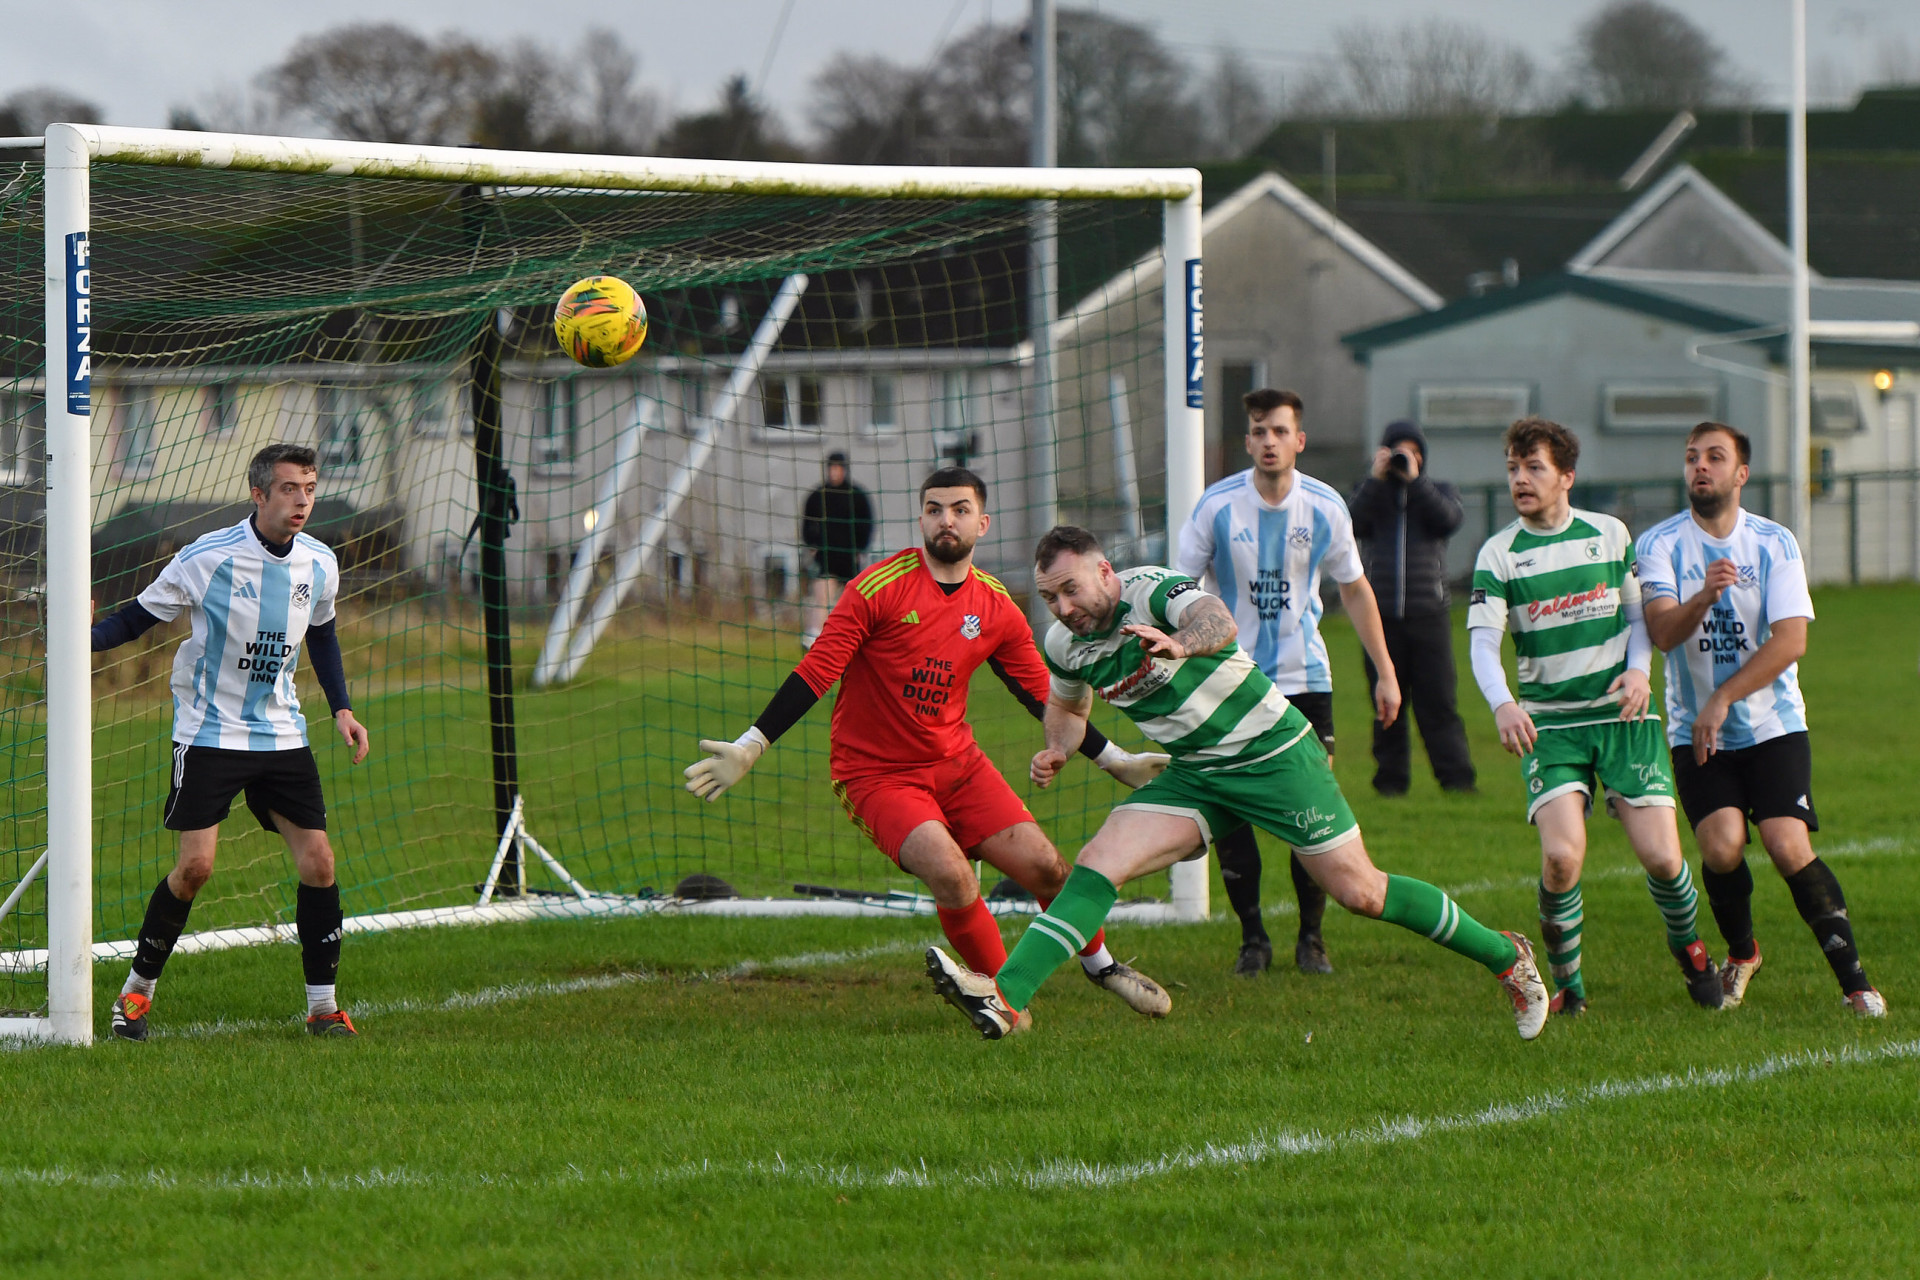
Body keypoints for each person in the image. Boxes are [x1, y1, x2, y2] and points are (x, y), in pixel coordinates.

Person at [924, 525, 1550, 1042]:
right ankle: (1006, 999)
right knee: (1097, 861)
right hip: (1198, 774)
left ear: (1105, 573)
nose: (1063, 608)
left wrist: (1179, 644)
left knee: (1360, 892)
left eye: (1070, 589)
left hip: (1274, 755)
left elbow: (1216, 619)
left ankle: (1507, 956)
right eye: (1049, 597)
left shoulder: (1153, 591)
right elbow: (1066, 707)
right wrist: (1058, 748)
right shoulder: (1065, 643)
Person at [685, 468, 1173, 1024]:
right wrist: (751, 745)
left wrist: (1115, 760)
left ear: (982, 523)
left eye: (960, 509)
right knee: (951, 873)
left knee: (1049, 870)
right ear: (920, 517)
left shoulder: (995, 605)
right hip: (876, 775)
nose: (947, 520)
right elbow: (819, 668)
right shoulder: (875, 588)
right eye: (935, 508)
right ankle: (1010, 1006)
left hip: (957, 765)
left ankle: (1104, 967)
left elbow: (1044, 695)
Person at [89, 443, 371, 1041]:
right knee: (195, 868)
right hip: (210, 731)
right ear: (259, 493)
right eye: (291, 488)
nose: (302, 500)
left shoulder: (320, 562)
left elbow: (322, 634)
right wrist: (82, 634)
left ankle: (323, 1009)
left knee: (320, 862)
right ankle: (135, 995)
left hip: (281, 731)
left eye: (310, 489)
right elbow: (136, 618)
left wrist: (342, 708)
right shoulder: (206, 558)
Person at [1467, 418, 1721, 1017]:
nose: (1520, 480)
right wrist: (1503, 702)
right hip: (1550, 727)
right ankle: (1570, 987)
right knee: (1562, 859)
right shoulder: (1499, 553)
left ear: (1566, 477)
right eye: (1512, 469)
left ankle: (1690, 949)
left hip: (1624, 720)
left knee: (1663, 858)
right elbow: (1482, 642)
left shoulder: (1609, 535)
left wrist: (1640, 673)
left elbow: (1639, 623)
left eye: (1534, 468)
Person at [1637, 422, 1885, 1017]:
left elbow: (1791, 640)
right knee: (1721, 847)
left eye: (1715, 458)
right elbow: (1663, 633)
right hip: (1694, 730)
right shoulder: (1660, 544)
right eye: (1693, 457)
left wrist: (1723, 698)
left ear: (1740, 474)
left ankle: (1857, 985)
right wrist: (1703, 597)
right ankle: (1743, 954)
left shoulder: (1774, 543)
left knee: (1785, 842)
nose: (1701, 466)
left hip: (1773, 725)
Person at [1175, 388, 1401, 978]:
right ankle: (1252, 939)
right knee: (1231, 808)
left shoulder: (1325, 506)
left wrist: (1385, 671)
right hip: (1228, 678)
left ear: (1299, 440)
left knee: (1310, 811)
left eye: (1280, 431)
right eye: (1258, 431)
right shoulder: (1216, 507)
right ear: (1247, 440)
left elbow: (1354, 587)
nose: (1269, 441)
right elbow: (1178, 588)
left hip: (1305, 680)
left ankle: (1312, 938)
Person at [1346, 420, 1477, 796]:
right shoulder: (1369, 493)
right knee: (1386, 706)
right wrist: (1375, 479)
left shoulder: (1439, 492)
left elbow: (1448, 520)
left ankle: (1457, 781)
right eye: (1398, 452)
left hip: (1429, 614)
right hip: (1380, 616)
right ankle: (1390, 783)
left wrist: (1416, 481)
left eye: (1413, 452)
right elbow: (1350, 523)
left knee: (1439, 703)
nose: (1406, 460)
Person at [800, 451, 875, 649]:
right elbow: (807, 524)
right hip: (827, 556)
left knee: (851, 600)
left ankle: (850, 637)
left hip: (850, 558)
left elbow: (866, 524)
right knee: (821, 595)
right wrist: (812, 546)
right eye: (831, 468)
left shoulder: (856, 496)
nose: (835, 473)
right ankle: (813, 636)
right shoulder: (818, 496)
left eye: (838, 468)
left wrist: (861, 548)